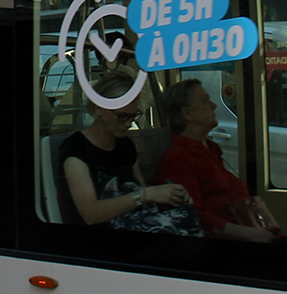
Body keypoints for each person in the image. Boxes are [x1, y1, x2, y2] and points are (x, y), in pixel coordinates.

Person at [60, 71, 195, 233]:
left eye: (133, 116)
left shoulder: (125, 145)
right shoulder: (76, 148)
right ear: (99, 108)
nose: (128, 124)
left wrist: (170, 196)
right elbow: (91, 214)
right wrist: (145, 195)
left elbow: (140, 190)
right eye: (122, 117)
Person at [153, 79, 282, 242]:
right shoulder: (178, 159)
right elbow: (192, 216)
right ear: (188, 114)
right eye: (206, 101)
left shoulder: (210, 148)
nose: (214, 106)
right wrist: (248, 234)